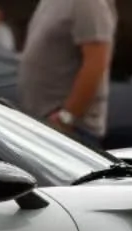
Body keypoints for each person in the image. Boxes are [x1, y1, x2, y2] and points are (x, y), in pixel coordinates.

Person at [19, 0, 117, 152]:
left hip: (69, 133)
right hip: (43, 127)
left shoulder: (89, 4)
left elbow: (96, 63)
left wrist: (66, 118)